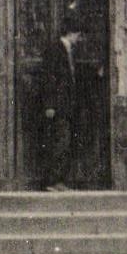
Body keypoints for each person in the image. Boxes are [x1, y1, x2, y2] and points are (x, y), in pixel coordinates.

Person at [38, 20, 84, 190]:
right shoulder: (55, 50)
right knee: (59, 142)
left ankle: (59, 180)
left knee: (64, 141)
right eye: (78, 35)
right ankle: (52, 181)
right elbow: (49, 79)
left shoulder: (69, 51)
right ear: (71, 33)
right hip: (58, 106)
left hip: (67, 105)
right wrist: (49, 105)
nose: (79, 39)